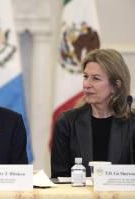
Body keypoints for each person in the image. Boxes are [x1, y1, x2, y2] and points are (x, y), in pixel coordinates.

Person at [51, 48, 134, 178]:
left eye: (95, 78)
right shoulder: (67, 122)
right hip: (78, 198)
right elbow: (60, 178)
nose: (86, 85)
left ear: (116, 86)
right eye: (85, 77)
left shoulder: (132, 124)